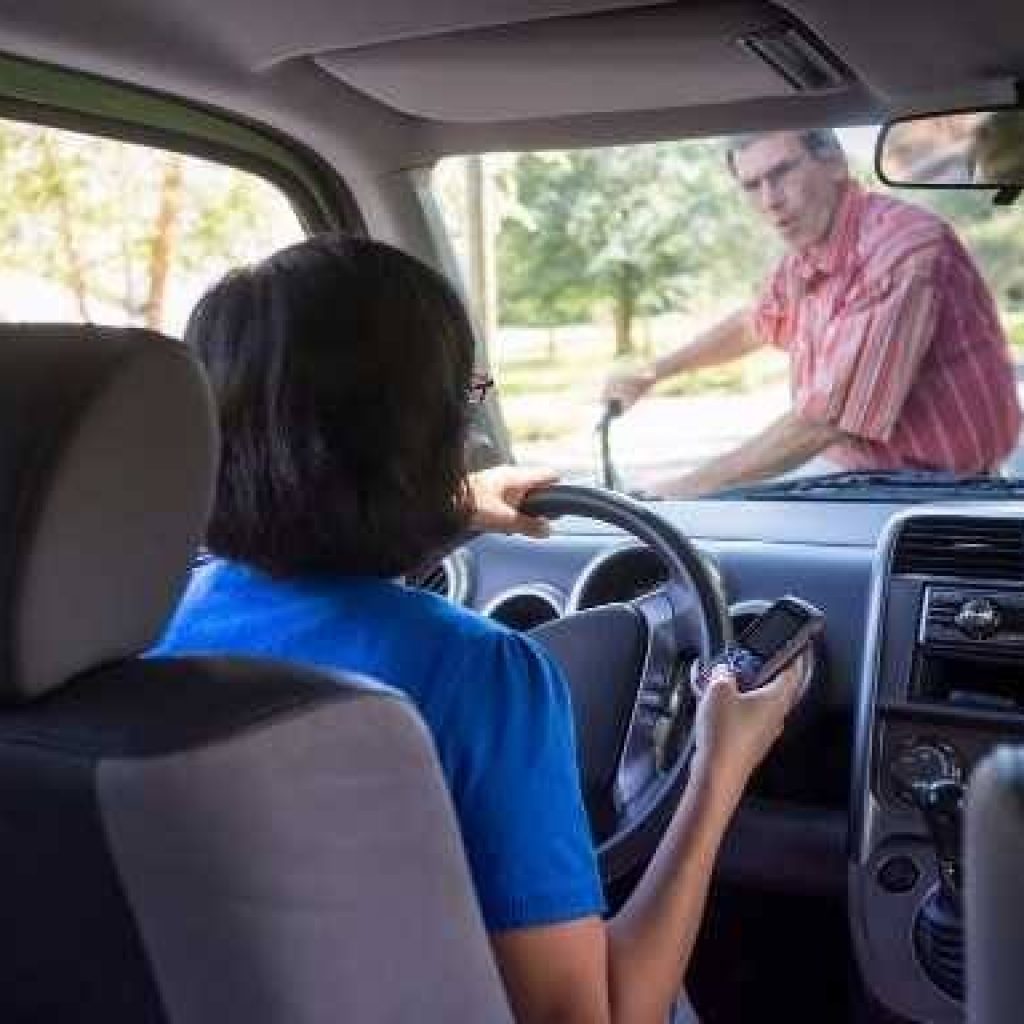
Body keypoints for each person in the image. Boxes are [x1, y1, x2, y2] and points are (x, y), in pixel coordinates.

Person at [154, 234, 802, 1024]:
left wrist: (443, 502)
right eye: (465, 397)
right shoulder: (481, 675)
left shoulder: (149, 629)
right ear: (424, 427)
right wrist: (718, 769)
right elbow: (590, 1018)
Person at [603, 129, 1022, 497]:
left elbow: (827, 420)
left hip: (943, 493)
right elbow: (754, 323)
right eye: (752, 185)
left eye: (782, 172)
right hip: (861, 478)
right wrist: (656, 372)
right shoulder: (807, 255)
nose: (770, 200)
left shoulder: (900, 248)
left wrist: (679, 492)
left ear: (835, 162)